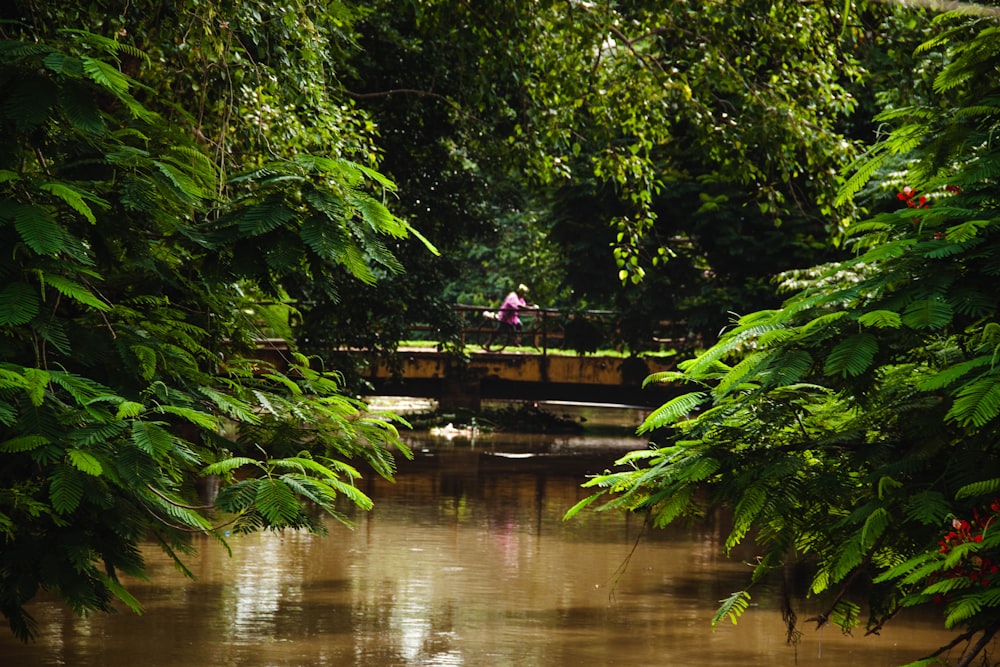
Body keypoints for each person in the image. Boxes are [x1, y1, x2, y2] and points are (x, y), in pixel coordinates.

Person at [484, 283, 536, 351]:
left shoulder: (520, 298)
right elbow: (519, 306)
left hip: (512, 317)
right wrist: (531, 308)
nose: (524, 294)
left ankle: (515, 341)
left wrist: (531, 306)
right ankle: (488, 344)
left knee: (519, 325)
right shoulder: (513, 297)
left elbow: (523, 305)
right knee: (500, 330)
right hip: (505, 317)